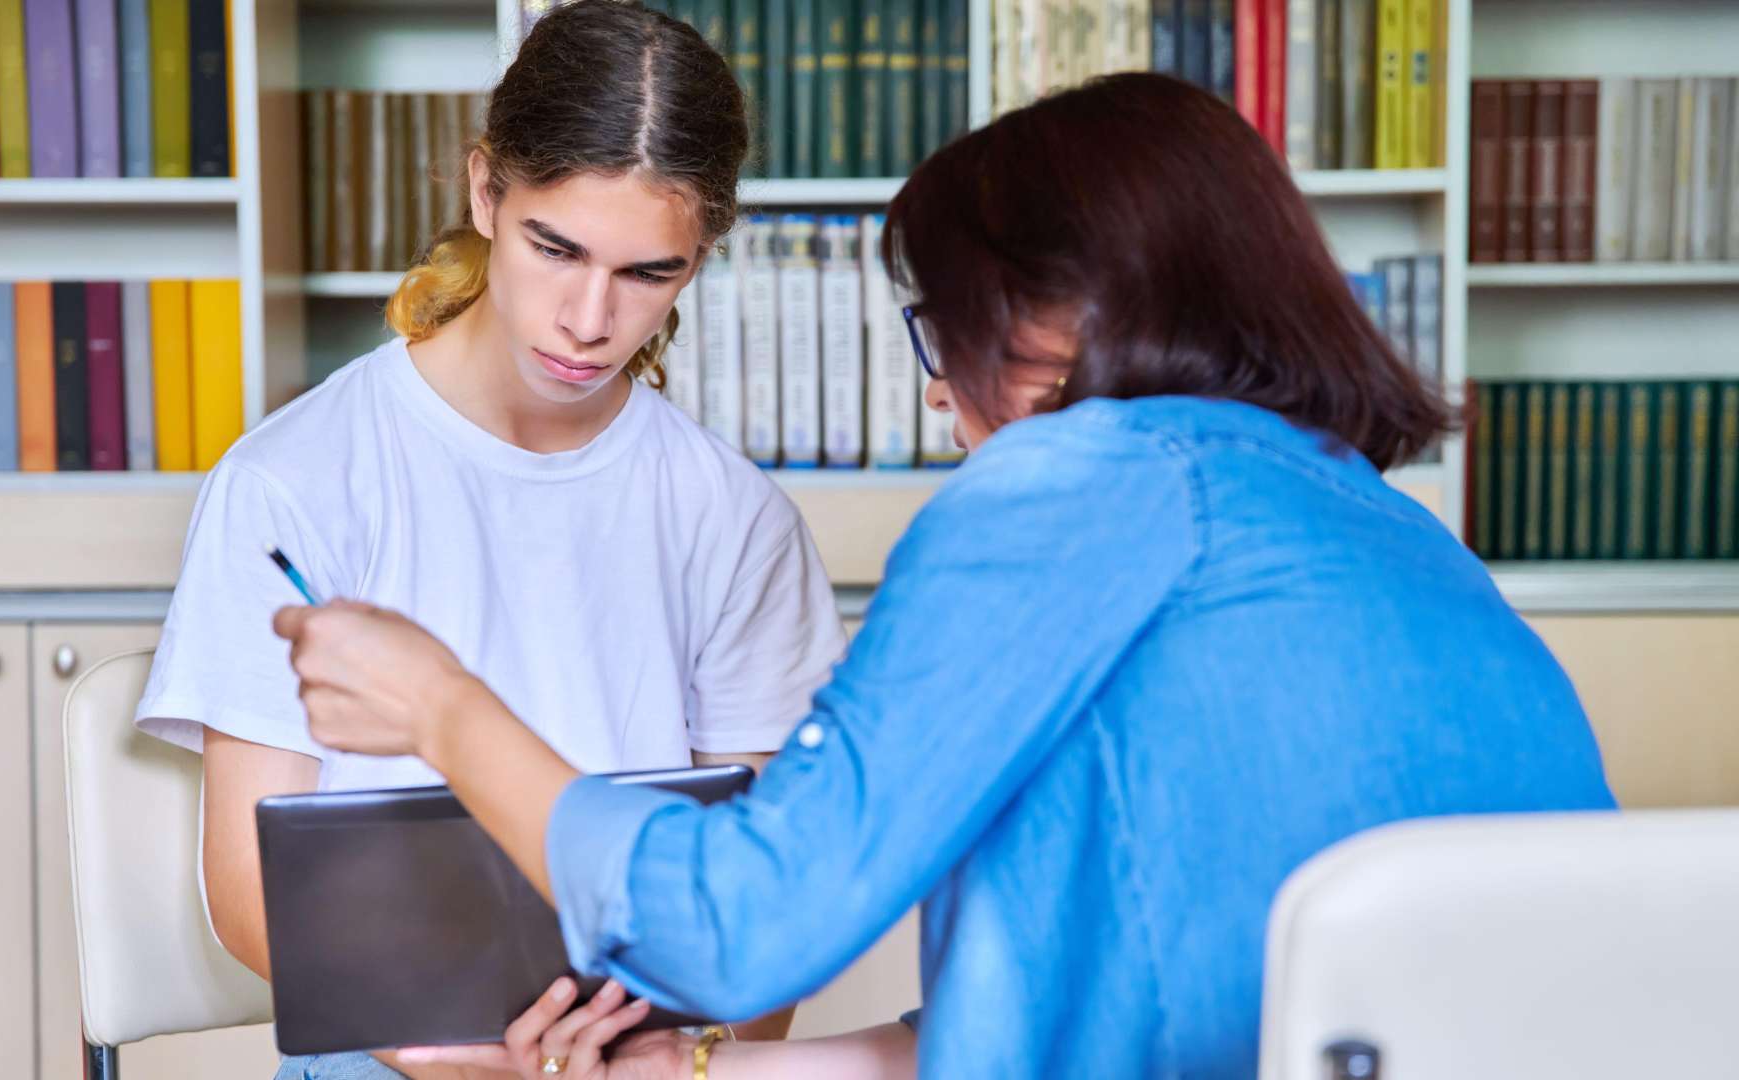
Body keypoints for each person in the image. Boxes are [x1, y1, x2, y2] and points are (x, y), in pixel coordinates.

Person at [272, 73, 1618, 1078]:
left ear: (1068, 313)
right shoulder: (1394, 531)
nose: (935, 389)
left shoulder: (1069, 488)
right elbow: (1044, 1028)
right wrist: (692, 1067)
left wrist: (444, 706)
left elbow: (735, 928)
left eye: (947, 325)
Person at [132, 4, 846, 1078]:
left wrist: (656, 1055)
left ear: (696, 263)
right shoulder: (295, 478)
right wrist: (438, 1050)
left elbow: (762, 935)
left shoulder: (734, 520)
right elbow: (248, 890)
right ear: (484, 192)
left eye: (649, 273)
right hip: (382, 1051)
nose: (588, 318)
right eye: (553, 247)